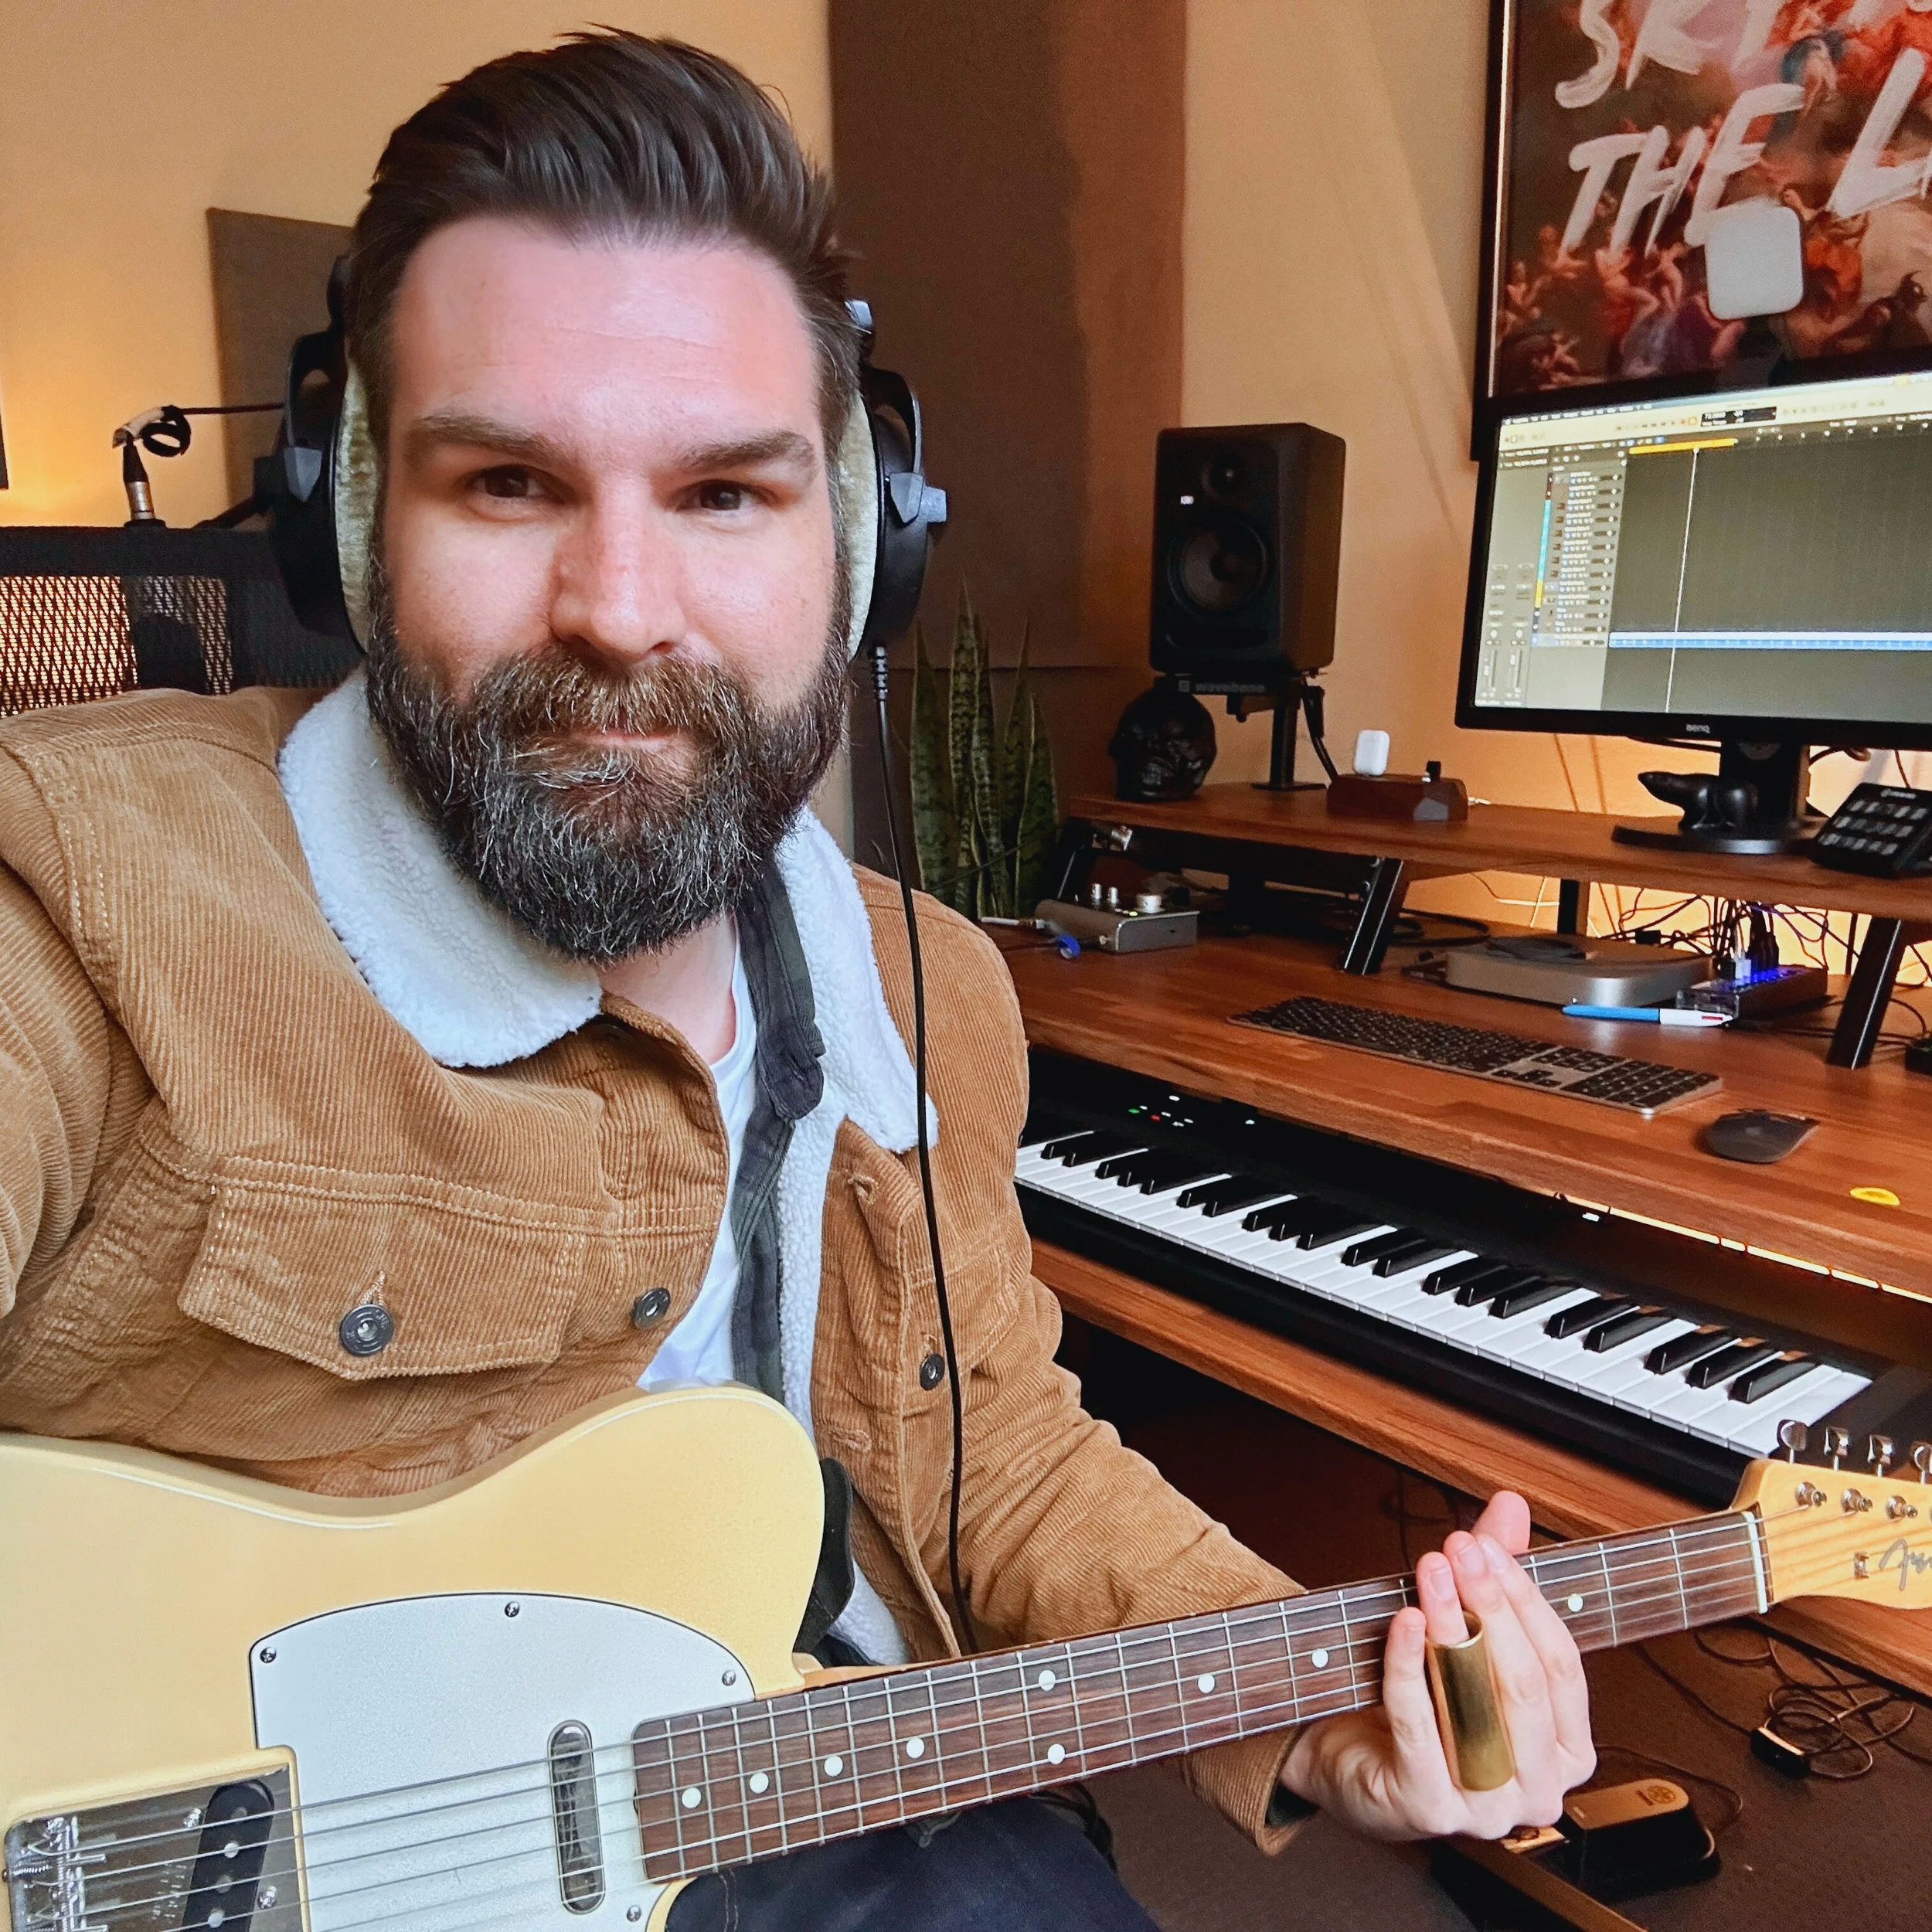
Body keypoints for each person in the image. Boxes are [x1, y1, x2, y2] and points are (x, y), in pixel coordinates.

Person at [0, 31, 1594, 1929]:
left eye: (726, 494)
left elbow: (991, 1445)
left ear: (859, 554)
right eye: (506, 481)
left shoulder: (924, 989)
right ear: (354, 530)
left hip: (809, 1773)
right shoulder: (89, 905)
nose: (619, 603)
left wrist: (1326, 1708)